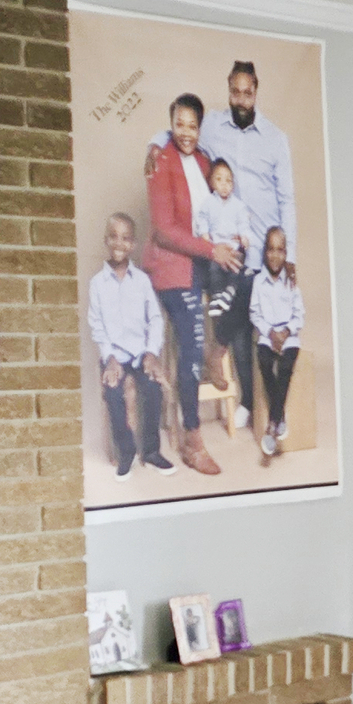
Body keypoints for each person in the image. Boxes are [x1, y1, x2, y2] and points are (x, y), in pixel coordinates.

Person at [198, 60, 295, 426]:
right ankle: (249, 405)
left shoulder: (275, 138)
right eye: (235, 92)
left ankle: (220, 351)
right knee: (241, 329)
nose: (241, 99)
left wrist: (291, 257)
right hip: (232, 248)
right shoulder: (210, 126)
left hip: (266, 251)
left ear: (256, 91)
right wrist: (154, 144)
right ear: (229, 89)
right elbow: (181, 137)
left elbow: (287, 200)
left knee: (262, 326)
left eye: (248, 92)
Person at [137, 94, 229, 476]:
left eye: (192, 125)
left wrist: (227, 245)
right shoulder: (161, 159)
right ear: (170, 124)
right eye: (179, 124)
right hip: (173, 266)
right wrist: (211, 249)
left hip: (200, 261)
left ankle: (217, 349)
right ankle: (192, 438)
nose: (185, 133)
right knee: (190, 339)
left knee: (245, 277)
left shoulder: (205, 161)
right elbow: (163, 231)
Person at [84, 213, 168, 478]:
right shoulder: (97, 284)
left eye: (126, 238)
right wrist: (109, 358)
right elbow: (97, 325)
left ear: (132, 244)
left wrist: (151, 353)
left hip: (141, 353)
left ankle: (152, 452)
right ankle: (126, 451)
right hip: (114, 356)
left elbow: (154, 318)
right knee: (112, 392)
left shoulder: (142, 281)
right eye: (114, 237)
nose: (119, 243)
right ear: (107, 240)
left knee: (153, 388)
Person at [193, 154, 253, 423]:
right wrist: (208, 242)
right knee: (219, 270)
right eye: (220, 180)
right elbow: (202, 224)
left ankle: (218, 342)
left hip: (234, 249)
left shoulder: (238, 206)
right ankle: (221, 295)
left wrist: (244, 239)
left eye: (229, 181)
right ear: (212, 183)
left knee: (240, 273)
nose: (225, 185)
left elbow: (244, 225)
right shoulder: (208, 204)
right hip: (216, 252)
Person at [248, 225, 305, 460]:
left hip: (289, 337)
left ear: (286, 253)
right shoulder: (259, 282)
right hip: (267, 335)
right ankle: (279, 416)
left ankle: (272, 425)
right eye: (270, 250)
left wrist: (286, 332)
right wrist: (270, 332)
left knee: (284, 368)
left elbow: (299, 314)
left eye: (280, 250)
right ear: (264, 252)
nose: (275, 255)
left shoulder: (290, 280)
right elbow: (254, 312)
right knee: (264, 362)